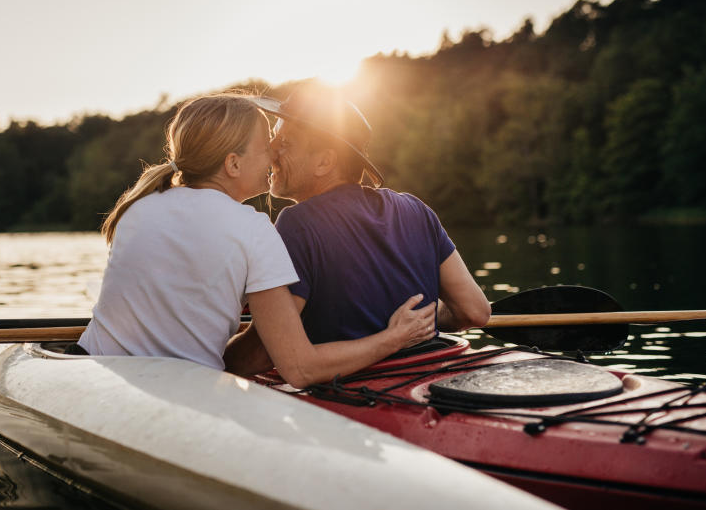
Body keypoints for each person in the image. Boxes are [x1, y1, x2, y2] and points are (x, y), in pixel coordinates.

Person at [78, 92, 436, 388]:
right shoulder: (253, 228)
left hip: (90, 368)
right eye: (267, 145)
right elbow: (300, 367)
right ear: (233, 164)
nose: (276, 153)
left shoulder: (139, 206)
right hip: (180, 394)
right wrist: (394, 338)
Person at [223, 84, 490, 375]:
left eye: (285, 142)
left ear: (324, 162)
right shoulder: (415, 208)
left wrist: (207, 355)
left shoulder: (296, 224)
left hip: (358, 396)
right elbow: (475, 310)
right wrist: (427, 317)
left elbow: (259, 356)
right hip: (429, 379)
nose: (271, 150)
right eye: (274, 137)